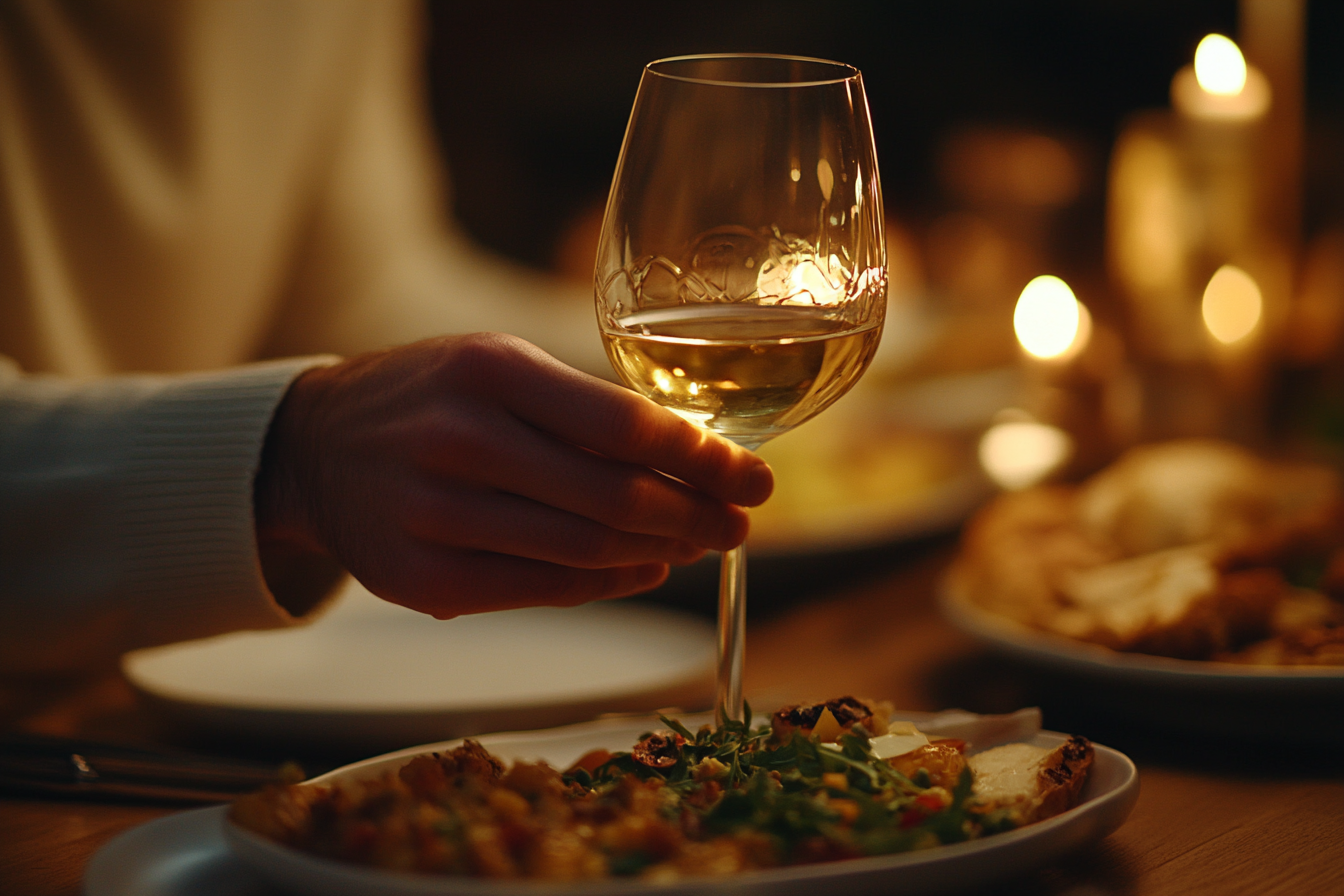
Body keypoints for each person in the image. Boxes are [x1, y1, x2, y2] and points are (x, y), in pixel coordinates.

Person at [0, 0, 772, 674]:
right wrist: (283, 459)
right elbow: (333, 416)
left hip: (162, 663)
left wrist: (785, 328)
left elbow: (362, 296)